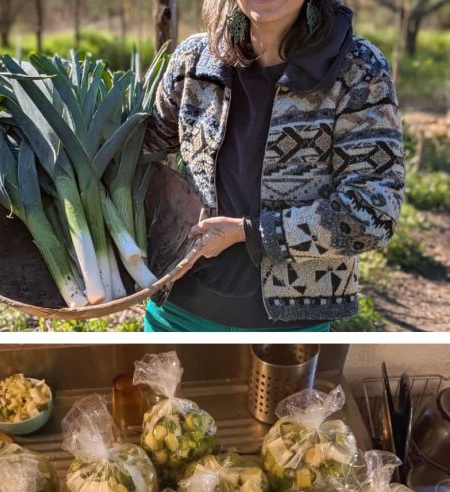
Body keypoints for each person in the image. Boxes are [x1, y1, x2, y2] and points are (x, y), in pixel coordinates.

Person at [142, 0, 404, 331]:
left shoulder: (358, 69)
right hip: (178, 311)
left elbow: (373, 213)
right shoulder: (194, 59)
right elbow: (141, 151)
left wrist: (249, 233)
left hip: (288, 328)